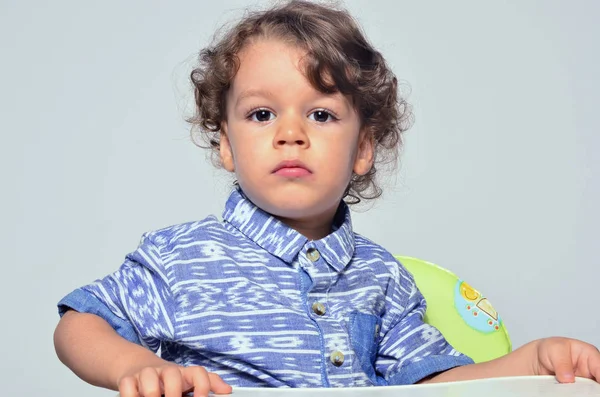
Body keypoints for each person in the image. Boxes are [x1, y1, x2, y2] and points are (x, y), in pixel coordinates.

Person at [53, 1, 600, 396]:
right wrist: (134, 367)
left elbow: (432, 383)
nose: (291, 133)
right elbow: (80, 323)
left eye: (321, 114)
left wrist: (529, 363)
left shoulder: (381, 277)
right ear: (225, 144)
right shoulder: (182, 256)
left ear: (362, 149)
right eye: (262, 114)